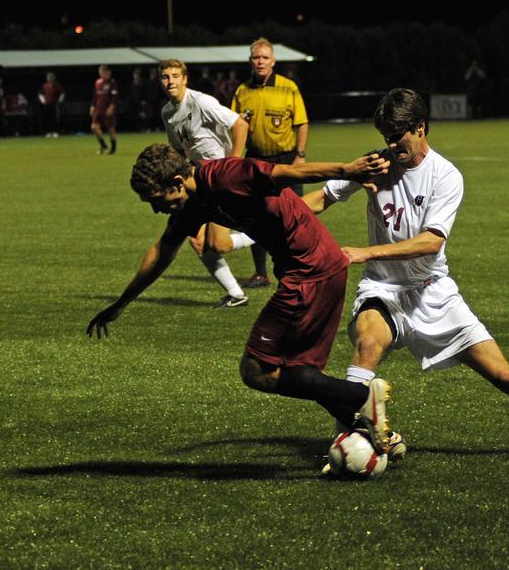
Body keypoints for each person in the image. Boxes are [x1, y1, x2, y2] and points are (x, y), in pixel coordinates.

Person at [303, 87, 509, 455]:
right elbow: (322, 198)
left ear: (420, 127)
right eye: (386, 136)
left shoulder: (445, 175)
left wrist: (365, 252)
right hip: (383, 288)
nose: (391, 144)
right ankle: (343, 445)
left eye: (397, 135)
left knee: (504, 376)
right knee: (369, 344)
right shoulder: (376, 164)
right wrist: (280, 216)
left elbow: (431, 241)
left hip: (432, 291)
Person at [87, 143, 396, 462]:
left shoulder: (225, 175)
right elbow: (162, 252)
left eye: (156, 199)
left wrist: (348, 170)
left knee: (256, 369)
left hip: (308, 271)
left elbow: (287, 172)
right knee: (299, 372)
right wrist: (122, 302)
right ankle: (372, 429)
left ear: (178, 182)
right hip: (315, 268)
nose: (155, 209)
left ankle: (362, 396)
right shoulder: (193, 204)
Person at [159, 58, 254, 309]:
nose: (170, 81)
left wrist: (233, 164)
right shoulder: (167, 112)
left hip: (220, 179)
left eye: (175, 76)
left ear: (185, 79)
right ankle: (236, 294)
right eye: (165, 77)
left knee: (219, 244)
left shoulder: (201, 102)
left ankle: (262, 233)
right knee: (198, 240)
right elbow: (179, 150)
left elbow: (240, 124)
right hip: (198, 179)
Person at [231, 37, 309, 289]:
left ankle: (300, 268)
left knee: (295, 216)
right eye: (256, 57)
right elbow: (234, 126)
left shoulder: (289, 87)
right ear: (250, 61)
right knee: (256, 217)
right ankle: (261, 273)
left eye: (265, 57)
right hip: (255, 160)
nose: (260, 61)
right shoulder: (242, 91)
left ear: (273, 61)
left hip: (286, 160)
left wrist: (300, 155)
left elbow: (302, 123)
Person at [90, 65, 118, 154]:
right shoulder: (98, 82)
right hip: (98, 109)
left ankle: (113, 148)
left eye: (103, 72)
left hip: (107, 109)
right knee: (94, 127)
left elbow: (114, 96)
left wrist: (111, 106)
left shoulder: (112, 83)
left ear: (107, 72)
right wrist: (92, 106)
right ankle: (103, 145)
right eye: (100, 73)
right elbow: (95, 96)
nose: (101, 74)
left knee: (111, 129)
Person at [39, 72, 65, 138]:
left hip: (54, 104)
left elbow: (62, 93)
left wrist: (59, 101)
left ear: (54, 78)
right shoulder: (44, 86)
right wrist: (43, 101)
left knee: (55, 118)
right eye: (49, 77)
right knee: (47, 118)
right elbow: (40, 94)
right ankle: (48, 132)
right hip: (47, 104)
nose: (50, 78)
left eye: (51, 77)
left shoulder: (57, 85)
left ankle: (55, 132)